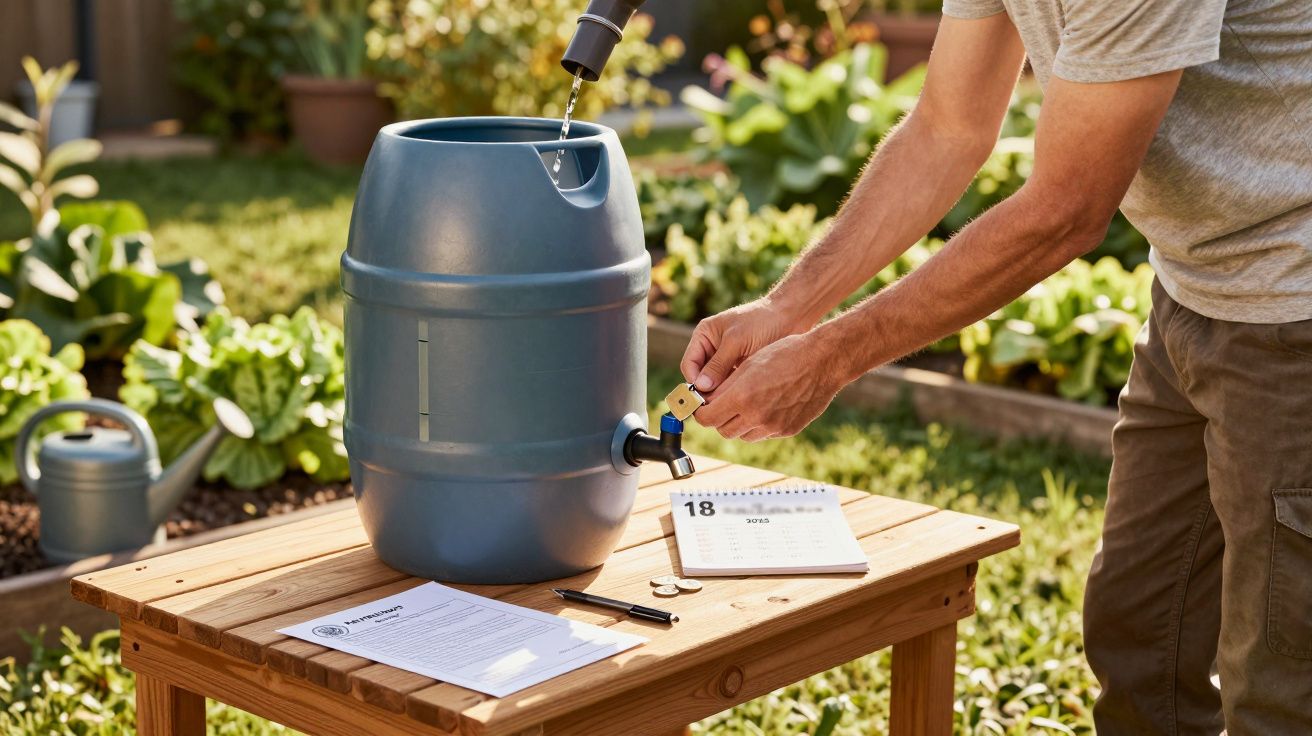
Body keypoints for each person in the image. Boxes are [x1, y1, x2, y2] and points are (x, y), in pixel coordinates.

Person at [680, 1, 1312, 732]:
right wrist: (786, 310)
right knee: (1140, 642)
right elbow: (946, 128)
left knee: (1282, 685)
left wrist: (829, 358)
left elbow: (1067, 209)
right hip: (1193, 292)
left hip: (1294, 310)